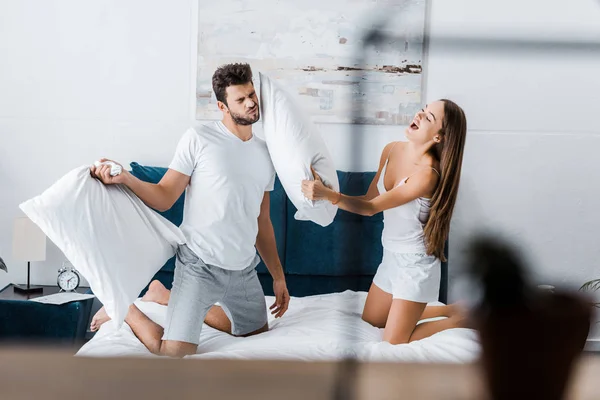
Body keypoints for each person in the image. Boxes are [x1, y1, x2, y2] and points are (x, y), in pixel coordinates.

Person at [90, 63, 290, 357]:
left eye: (251, 94)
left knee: (254, 331)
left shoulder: (265, 152)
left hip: (244, 269)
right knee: (173, 355)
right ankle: (128, 309)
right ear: (222, 106)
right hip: (199, 265)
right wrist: (125, 178)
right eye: (240, 99)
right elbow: (164, 197)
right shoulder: (199, 139)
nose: (250, 102)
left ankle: (164, 296)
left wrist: (278, 276)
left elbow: (262, 220)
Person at [302, 99, 468, 344]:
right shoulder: (391, 150)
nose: (419, 115)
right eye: (423, 109)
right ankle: (446, 309)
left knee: (394, 341)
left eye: (429, 118)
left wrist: (329, 196)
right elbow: (370, 197)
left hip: (415, 264)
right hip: (390, 256)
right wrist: (326, 189)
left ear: (439, 138)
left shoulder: (426, 175)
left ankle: (457, 320)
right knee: (373, 320)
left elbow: (370, 209)